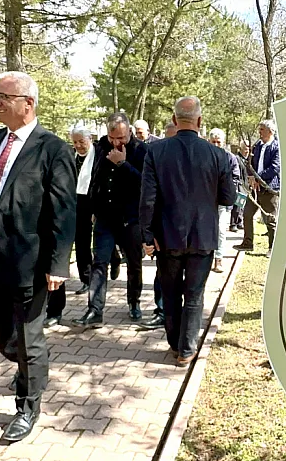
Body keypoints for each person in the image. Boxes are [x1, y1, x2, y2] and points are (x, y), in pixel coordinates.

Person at [0, 71, 76, 442]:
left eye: (3, 96)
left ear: (28, 103)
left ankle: (27, 405)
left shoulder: (53, 149)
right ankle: (33, 367)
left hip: (30, 260)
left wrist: (59, 264)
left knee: (29, 336)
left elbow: (64, 212)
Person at [140, 96, 236, 367]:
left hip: (167, 236)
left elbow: (147, 199)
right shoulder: (218, 154)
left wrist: (148, 235)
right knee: (194, 294)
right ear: (200, 122)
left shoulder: (156, 152)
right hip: (202, 235)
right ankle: (187, 348)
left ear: (174, 120)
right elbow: (228, 198)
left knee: (170, 293)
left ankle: (175, 343)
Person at [75, 112, 146, 327]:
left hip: (130, 219)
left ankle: (134, 302)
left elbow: (145, 184)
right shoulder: (99, 148)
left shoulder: (141, 150)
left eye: (121, 138)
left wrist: (123, 164)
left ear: (129, 132)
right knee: (99, 262)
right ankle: (95, 309)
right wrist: (94, 207)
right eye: (112, 137)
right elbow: (94, 178)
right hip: (105, 217)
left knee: (134, 263)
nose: (116, 142)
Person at [44, 127, 95, 327]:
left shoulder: (96, 156)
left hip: (84, 207)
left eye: (81, 142)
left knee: (82, 247)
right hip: (60, 209)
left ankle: (87, 279)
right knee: (54, 256)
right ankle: (51, 309)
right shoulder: (64, 156)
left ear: (89, 139)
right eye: (75, 142)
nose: (78, 146)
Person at [234, 120, 280, 258]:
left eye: (262, 130)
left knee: (270, 219)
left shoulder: (277, 147)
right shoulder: (257, 146)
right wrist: (251, 177)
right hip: (254, 188)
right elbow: (249, 164)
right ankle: (248, 243)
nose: (259, 132)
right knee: (247, 214)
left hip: (269, 189)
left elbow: (275, 168)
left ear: (270, 131)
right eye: (259, 129)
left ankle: (273, 248)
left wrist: (258, 178)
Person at [208, 128, 241, 273]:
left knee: (220, 230)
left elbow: (235, 178)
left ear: (223, 143)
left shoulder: (230, 158)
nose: (216, 145)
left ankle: (218, 259)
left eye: (218, 142)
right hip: (205, 201)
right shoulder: (203, 155)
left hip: (222, 202)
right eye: (213, 142)